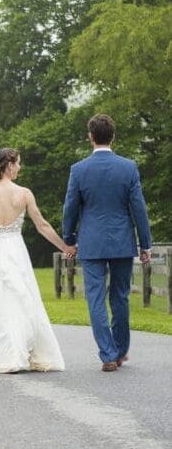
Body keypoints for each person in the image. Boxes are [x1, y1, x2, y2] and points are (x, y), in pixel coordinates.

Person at [0, 148, 75, 373]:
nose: (20, 167)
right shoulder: (24, 194)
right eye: (18, 163)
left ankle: (2, 354)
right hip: (14, 249)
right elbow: (42, 225)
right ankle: (19, 352)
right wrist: (65, 247)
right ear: (9, 165)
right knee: (20, 298)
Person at [63, 114, 152, 373]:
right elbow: (139, 209)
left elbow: (70, 208)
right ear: (113, 136)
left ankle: (108, 354)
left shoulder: (78, 170)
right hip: (122, 242)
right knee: (120, 297)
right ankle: (121, 350)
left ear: (91, 137)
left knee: (96, 298)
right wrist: (145, 244)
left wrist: (69, 239)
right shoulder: (128, 167)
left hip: (91, 244)